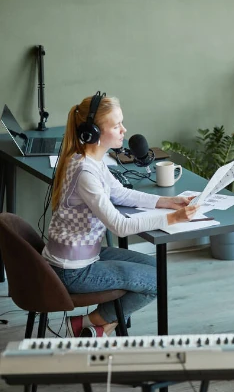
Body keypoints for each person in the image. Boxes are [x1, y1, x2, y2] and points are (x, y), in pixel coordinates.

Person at [43, 92, 199, 338]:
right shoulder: (85, 172)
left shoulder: (92, 159)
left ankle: (92, 327)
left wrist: (167, 202)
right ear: (92, 132)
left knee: (155, 268)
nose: (124, 130)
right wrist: (172, 218)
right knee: (158, 280)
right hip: (72, 270)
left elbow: (120, 194)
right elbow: (119, 226)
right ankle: (91, 322)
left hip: (85, 256)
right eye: (116, 126)